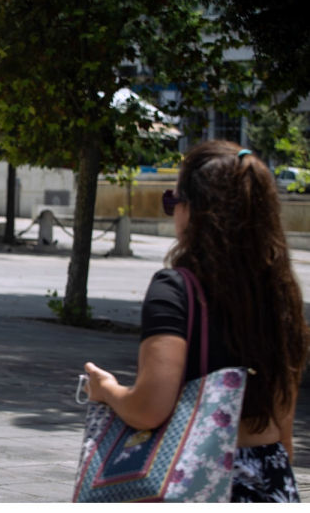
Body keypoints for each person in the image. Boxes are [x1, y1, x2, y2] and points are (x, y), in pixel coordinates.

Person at [83, 141, 309, 503]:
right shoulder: (281, 292)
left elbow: (149, 409)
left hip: (204, 479)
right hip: (271, 478)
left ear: (194, 210)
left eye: (173, 200)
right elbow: (283, 423)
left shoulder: (176, 289)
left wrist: (106, 390)